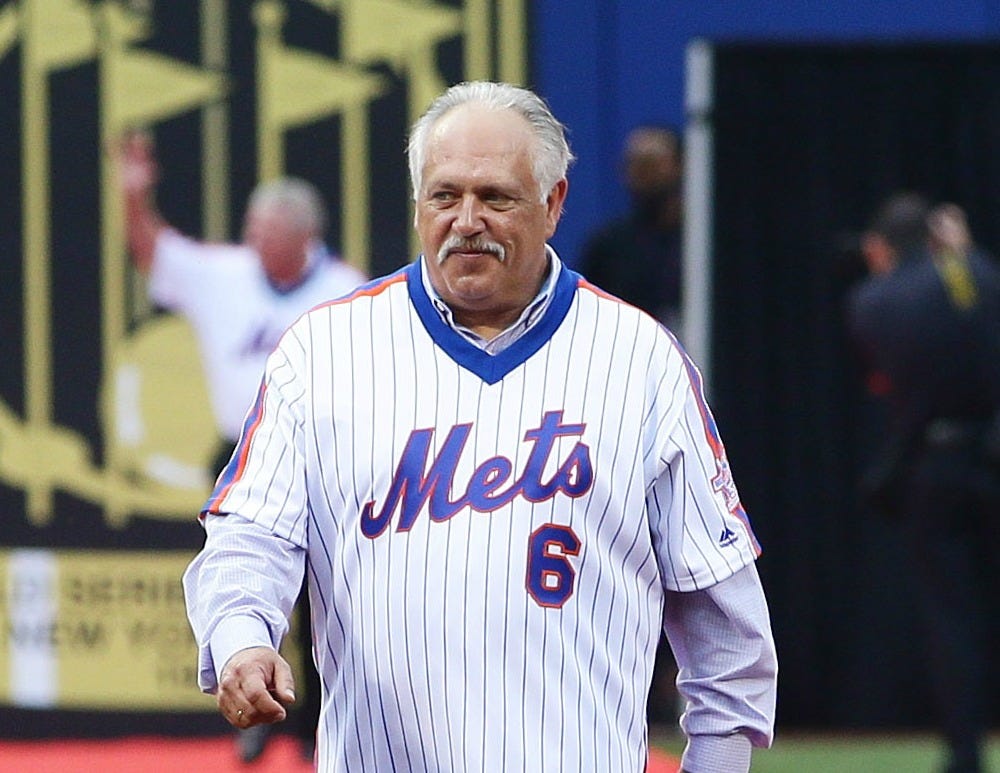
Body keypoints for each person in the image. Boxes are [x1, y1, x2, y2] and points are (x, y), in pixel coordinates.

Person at [182, 81, 777, 773]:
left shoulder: (640, 360)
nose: (467, 219)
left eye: (495, 197)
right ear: (417, 205)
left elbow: (724, 629)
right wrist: (241, 636)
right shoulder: (323, 352)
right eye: (445, 195)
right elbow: (250, 535)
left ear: (552, 204)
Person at [118, 131, 367, 763]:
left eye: (265, 229)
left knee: (324, 599)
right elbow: (155, 254)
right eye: (251, 226)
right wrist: (132, 195)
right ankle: (258, 710)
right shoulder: (228, 273)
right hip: (240, 452)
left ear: (302, 235)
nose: (252, 237)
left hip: (323, 455)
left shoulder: (345, 287)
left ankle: (317, 725)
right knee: (242, 576)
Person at [846, 192, 1000, 773]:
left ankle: (965, 754)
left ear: (880, 247)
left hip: (931, 467)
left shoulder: (872, 300)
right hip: (990, 456)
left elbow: (881, 378)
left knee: (951, 617)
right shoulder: (973, 276)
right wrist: (961, 255)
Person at [579, 124, 684, 332]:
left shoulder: (703, 244)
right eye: (633, 165)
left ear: (680, 166)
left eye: (651, 164)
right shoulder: (608, 246)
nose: (642, 175)